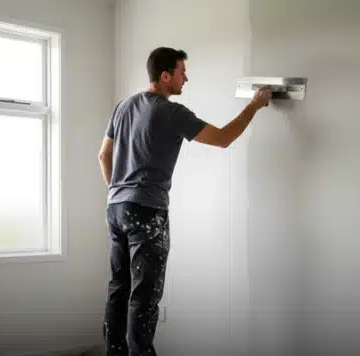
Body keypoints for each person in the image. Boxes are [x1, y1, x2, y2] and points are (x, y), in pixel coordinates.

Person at [97, 47, 272, 356]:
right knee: (144, 295)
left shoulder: (123, 107)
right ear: (165, 76)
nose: (185, 78)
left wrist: (118, 192)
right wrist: (255, 105)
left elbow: (103, 155)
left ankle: (114, 352)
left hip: (115, 208)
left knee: (118, 288)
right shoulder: (171, 112)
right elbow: (222, 138)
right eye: (181, 72)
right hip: (146, 210)